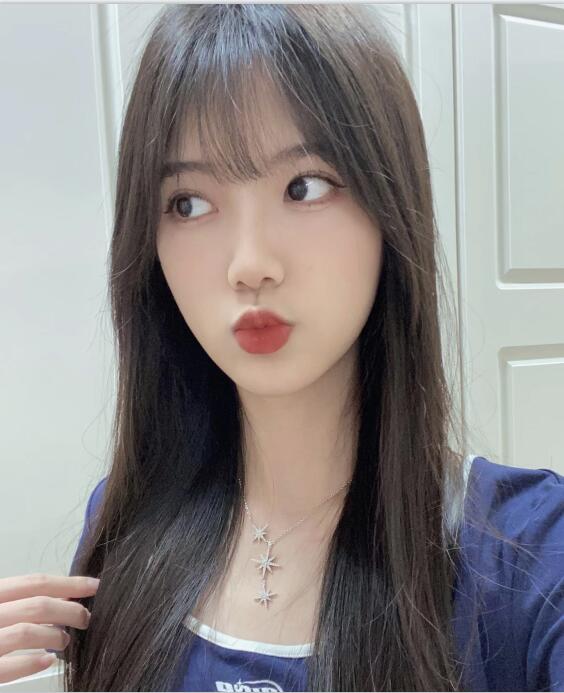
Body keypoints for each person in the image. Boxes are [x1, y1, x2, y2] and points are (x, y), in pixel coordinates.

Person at [1, 5, 562, 691]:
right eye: (188, 203)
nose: (249, 264)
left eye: (305, 187)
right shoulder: (124, 520)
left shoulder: (531, 554)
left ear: (390, 207)